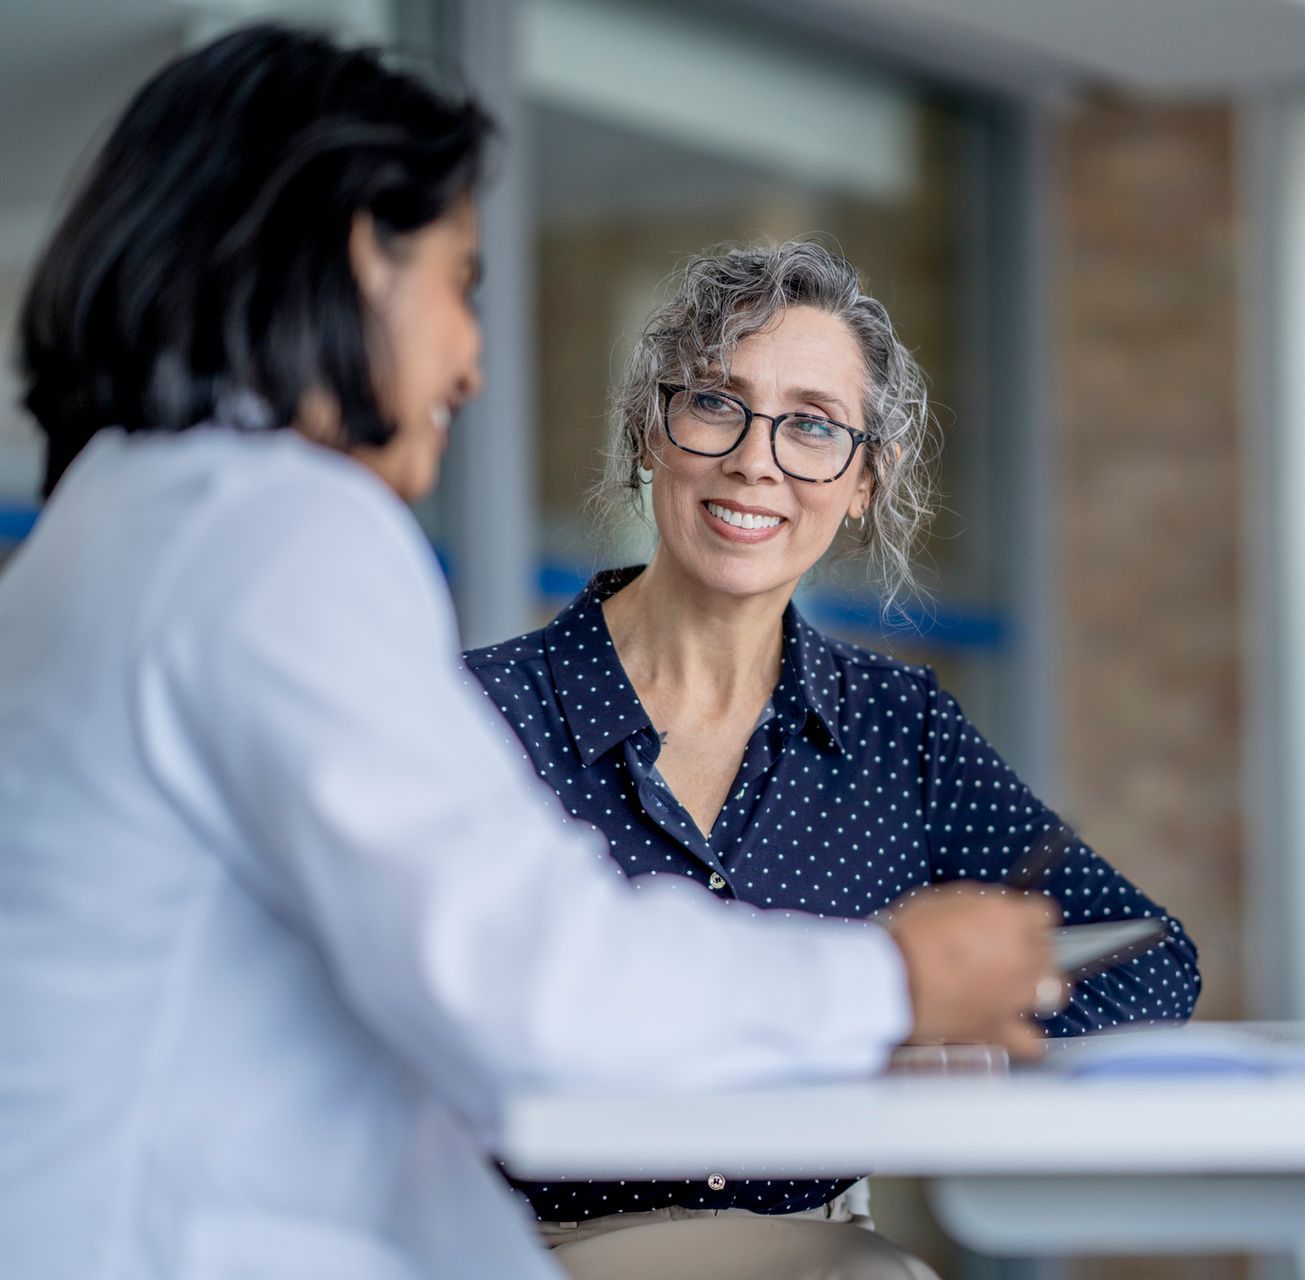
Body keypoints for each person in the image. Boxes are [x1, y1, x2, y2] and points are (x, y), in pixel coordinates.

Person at [0, 27, 1060, 1280]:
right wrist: (887, 978)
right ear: (359, 258)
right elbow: (530, 981)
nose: (474, 359)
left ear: (867, 482)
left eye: (813, 428)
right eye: (460, 283)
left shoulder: (111, 527)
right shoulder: (280, 531)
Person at [463, 240, 1204, 1279]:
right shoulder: (482, 716)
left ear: (865, 480)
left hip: (815, 1251)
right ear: (648, 429)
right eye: (718, 404)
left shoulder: (897, 729)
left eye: (812, 424)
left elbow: (1145, 952)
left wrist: (966, 1029)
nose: (757, 460)